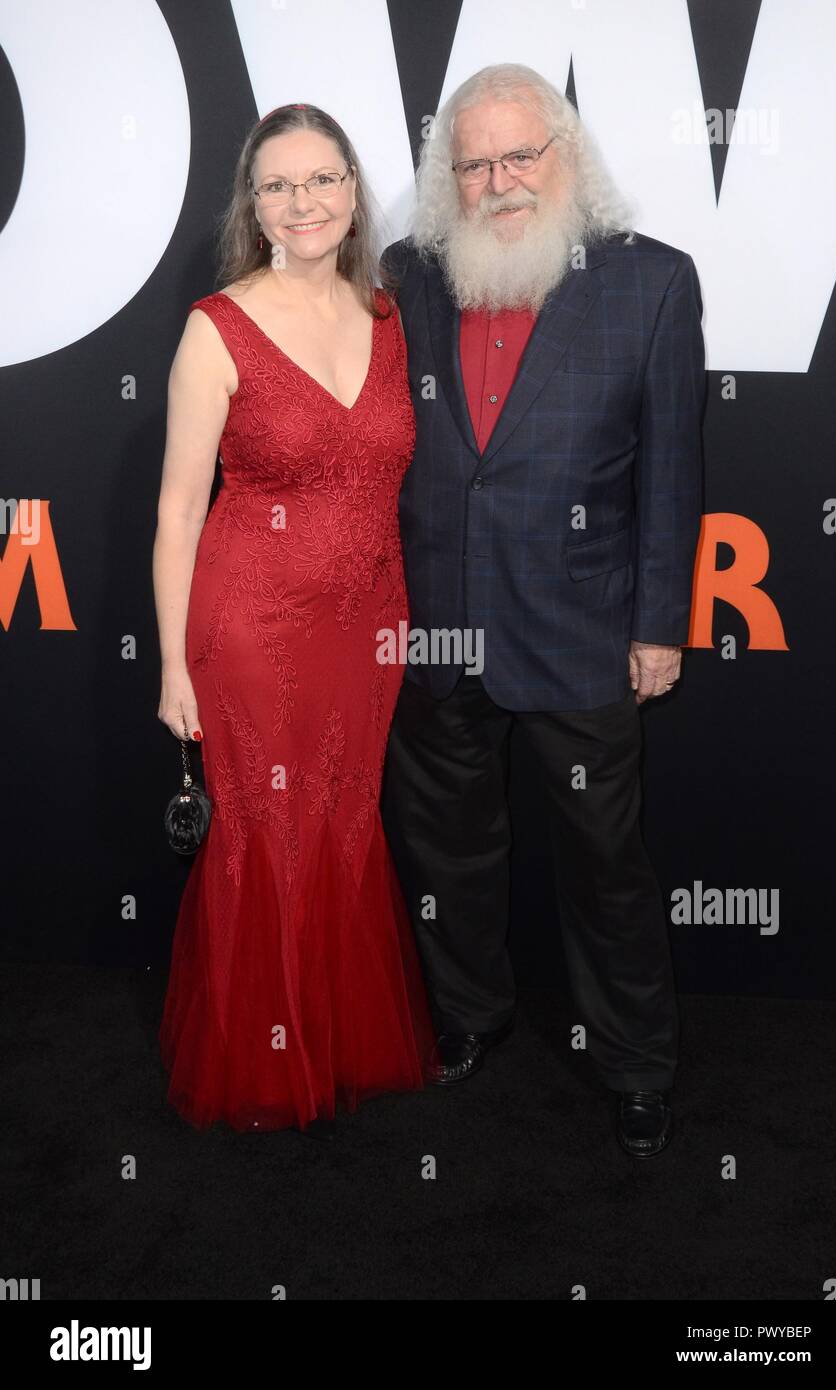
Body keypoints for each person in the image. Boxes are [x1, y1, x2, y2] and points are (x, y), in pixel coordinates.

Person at [380, 64, 706, 1158]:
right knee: (447, 853)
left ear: (567, 157)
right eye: (473, 163)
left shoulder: (652, 283)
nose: (499, 180)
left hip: (579, 629)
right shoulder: (407, 278)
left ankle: (635, 1062)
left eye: (521, 155)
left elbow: (673, 471)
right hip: (435, 626)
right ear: (450, 179)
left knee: (605, 865)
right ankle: (472, 1015)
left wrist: (660, 623)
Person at [153, 103, 434, 1138]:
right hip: (251, 628)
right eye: (278, 185)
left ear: (354, 190)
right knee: (265, 832)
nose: (302, 202)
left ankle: (341, 1042)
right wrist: (178, 668)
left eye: (322, 180)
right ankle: (267, 1069)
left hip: (369, 628)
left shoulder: (387, 316)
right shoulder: (215, 327)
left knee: (343, 821)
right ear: (254, 204)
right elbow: (180, 510)